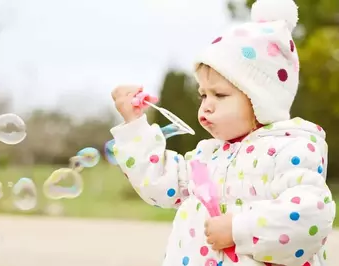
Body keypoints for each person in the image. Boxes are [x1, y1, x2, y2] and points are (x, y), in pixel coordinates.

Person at [109, 0, 336, 265]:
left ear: (260, 100)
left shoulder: (291, 150)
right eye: (203, 94)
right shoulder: (207, 157)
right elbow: (159, 182)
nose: (206, 104)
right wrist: (134, 123)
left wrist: (240, 229)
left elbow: (311, 215)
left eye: (220, 94)